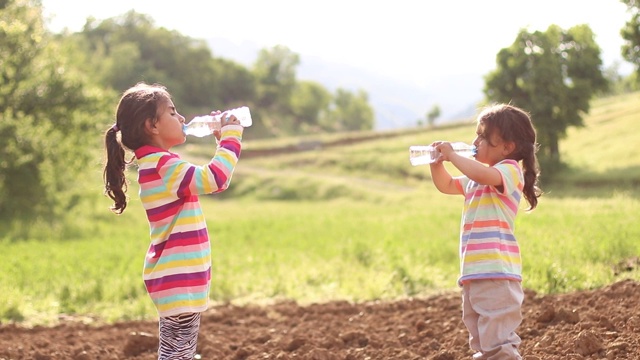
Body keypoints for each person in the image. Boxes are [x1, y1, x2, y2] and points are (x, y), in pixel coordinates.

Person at [103, 82, 243, 359]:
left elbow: (215, 182)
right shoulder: (163, 165)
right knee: (177, 353)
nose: (181, 118)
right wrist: (231, 138)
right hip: (177, 277)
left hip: (177, 277)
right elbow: (215, 178)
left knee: (178, 350)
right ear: (151, 125)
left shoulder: (160, 163)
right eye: (172, 112)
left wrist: (220, 141)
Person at [428, 103, 542, 360]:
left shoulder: (509, 171)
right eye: (477, 134)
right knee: (481, 342)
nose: (475, 141)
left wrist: (455, 157)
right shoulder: (474, 179)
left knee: (498, 344)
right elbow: (446, 184)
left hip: (497, 275)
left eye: (483, 137)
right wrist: (436, 163)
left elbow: (484, 174)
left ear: (507, 148)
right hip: (474, 274)